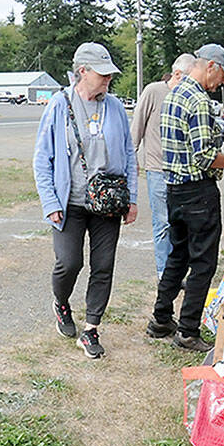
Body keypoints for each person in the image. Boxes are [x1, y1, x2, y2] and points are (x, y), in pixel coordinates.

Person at [32, 42, 138, 360]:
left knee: (103, 266)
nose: (107, 79)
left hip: (108, 202)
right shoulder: (58, 105)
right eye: (102, 74)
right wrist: (50, 201)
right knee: (69, 262)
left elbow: (129, 154)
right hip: (71, 202)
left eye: (109, 74)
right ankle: (61, 303)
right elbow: (42, 158)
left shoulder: (116, 107)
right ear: (82, 71)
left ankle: (91, 329)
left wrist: (131, 198)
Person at [147, 43, 224, 353]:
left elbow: (189, 151)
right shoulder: (199, 100)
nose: (222, 83)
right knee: (203, 262)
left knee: (177, 256)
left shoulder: (173, 95)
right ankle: (188, 330)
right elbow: (205, 156)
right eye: (222, 76)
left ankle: (160, 318)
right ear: (210, 66)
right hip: (198, 193)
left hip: (174, 189)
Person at [131, 53, 195, 276]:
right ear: (177, 74)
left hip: (183, 172)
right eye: (189, 77)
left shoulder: (189, 96)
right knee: (163, 223)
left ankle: (178, 272)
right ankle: (164, 274)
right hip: (157, 170)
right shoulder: (154, 91)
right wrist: (132, 161)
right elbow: (136, 127)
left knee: (182, 224)